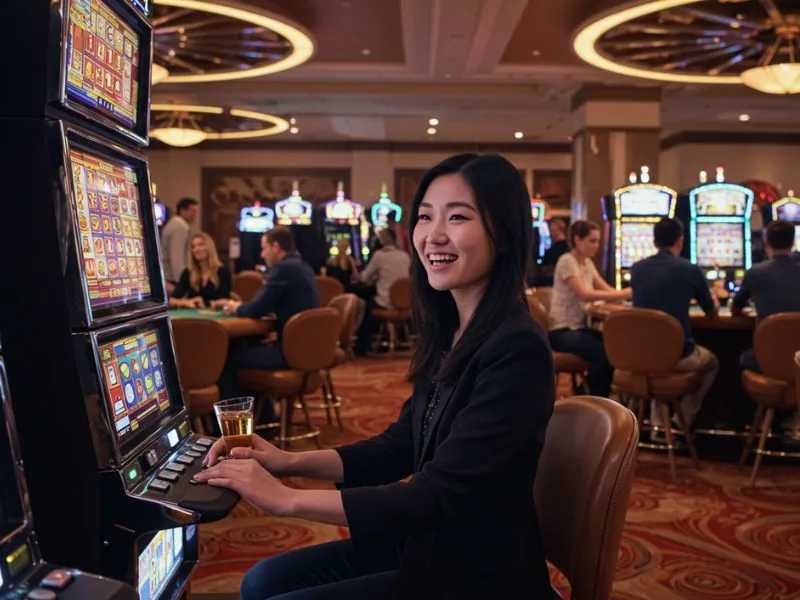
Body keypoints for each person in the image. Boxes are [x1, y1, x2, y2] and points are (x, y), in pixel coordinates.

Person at [196, 153, 557, 599]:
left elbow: (435, 497)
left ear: (503, 232)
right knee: (261, 581)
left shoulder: (516, 347)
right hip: (430, 545)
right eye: (425, 217)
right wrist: (286, 461)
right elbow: (400, 445)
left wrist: (286, 498)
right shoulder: (454, 330)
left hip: (478, 573)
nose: (433, 235)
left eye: (458, 216)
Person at [217, 227, 321, 417]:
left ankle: (233, 429)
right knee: (250, 348)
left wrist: (235, 306)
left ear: (276, 246)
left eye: (264, 248)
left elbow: (256, 308)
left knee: (225, 360)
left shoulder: (283, 268)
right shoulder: (302, 266)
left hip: (291, 354)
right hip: (309, 351)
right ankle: (263, 419)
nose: (262, 254)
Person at [629, 218, 719, 431]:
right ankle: (681, 421)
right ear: (680, 241)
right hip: (678, 355)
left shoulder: (637, 268)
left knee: (658, 359)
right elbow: (711, 312)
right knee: (712, 362)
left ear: (654, 241)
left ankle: (658, 423)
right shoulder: (689, 269)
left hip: (642, 354)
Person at [548, 220, 631, 397]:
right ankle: (593, 398)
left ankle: (592, 394)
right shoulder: (567, 261)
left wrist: (625, 295)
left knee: (614, 347)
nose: (596, 246)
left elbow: (607, 290)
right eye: (592, 241)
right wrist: (625, 293)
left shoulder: (586, 263)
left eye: (598, 241)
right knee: (602, 353)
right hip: (561, 331)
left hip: (579, 329)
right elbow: (584, 294)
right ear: (577, 240)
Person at [732, 220, 800, 434]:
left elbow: (735, 308)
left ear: (766, 242)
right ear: (793, 242)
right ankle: (791, 419)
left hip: (767, 362)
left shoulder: (756, 272)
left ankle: (755, 425)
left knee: (739, 357)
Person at [354, 228, 412, 355]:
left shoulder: (379, 256)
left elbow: (363, 278)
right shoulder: (405, 256)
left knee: (365, 304)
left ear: (384, 239)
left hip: (386, 303)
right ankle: (397, 338)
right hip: (406, 304)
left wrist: (353, 266)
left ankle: (362, 347)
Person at [169, 232, 232, 308]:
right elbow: (172, 300)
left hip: (215, 316)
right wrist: (187, 302)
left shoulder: (223, 272)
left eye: (200, 245)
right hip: (193, 316)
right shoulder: (188, 273)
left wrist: (211, 304)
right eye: (193, 247)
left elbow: (226, 300)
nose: (196, 249)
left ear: (209, 247)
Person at [161, 197, 199, 284]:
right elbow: (177, 258)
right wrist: (182, 283)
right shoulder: (179, 227)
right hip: (173, 279)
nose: (195, 214)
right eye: (192, 211)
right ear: (182, 210)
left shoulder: (175, 224)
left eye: (196, 211)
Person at [535, 217, 569, 286]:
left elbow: (552, 268)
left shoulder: (559, 248)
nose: (550, 233)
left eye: (551, 230)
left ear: (557, 230)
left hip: (552, 284)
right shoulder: (565, 246)